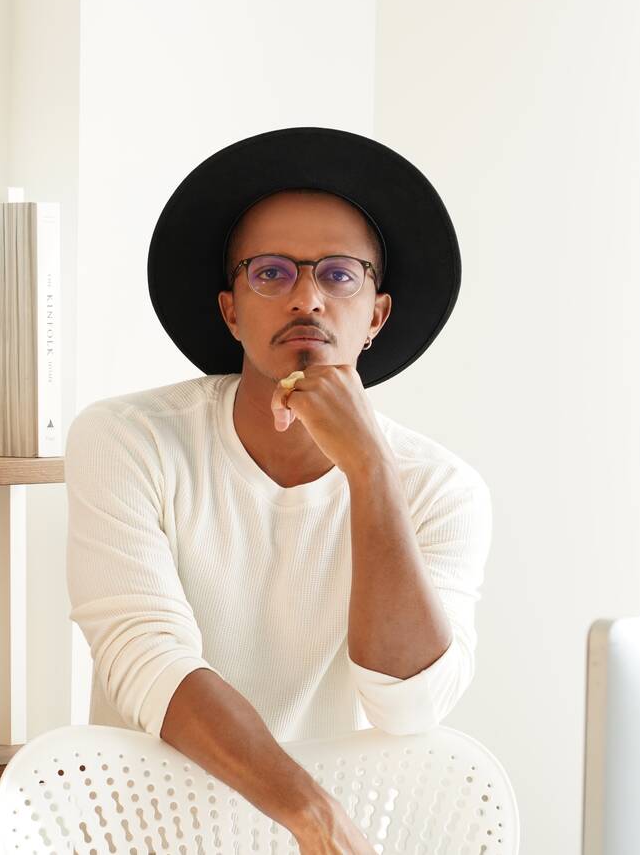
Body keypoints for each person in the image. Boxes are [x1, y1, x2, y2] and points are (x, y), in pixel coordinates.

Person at [64, 127, 492, 852]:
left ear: (376, 315)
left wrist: (370, 471)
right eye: (270, 273)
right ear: (231, 308)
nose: (307, 298)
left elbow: (411, 703)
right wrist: (308, 812)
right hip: (152, 837)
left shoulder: (441, 488)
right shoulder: (128, 439)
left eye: (338, 274)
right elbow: (152, 663)